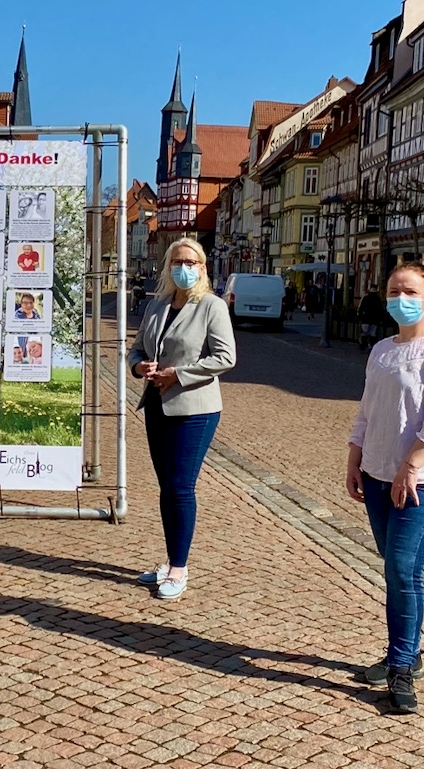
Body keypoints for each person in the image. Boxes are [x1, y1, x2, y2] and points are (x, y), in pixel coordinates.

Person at [346, 263, 424, 715]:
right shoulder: (381, 349)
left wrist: (410, 467)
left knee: (403, 570)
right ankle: (407, 651)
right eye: (394, 290)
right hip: (378, 477)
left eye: (411, 290)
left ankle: (402, 665)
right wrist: (354, 460)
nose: (402, 297)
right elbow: (366, 411)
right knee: (395, 568)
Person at [128, 237, 236, 601]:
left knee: (180, 486)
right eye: (178, 261)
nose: (184, 268)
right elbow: (138, 346)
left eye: (191, 262)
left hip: (195, 409)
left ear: (203, 267)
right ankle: (170, 557)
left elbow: (225, 358)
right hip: (157, 404)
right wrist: (138, 366)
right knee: (166, 488)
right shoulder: (157, 305)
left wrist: (180, 374)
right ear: (168, 266)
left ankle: (179, 567)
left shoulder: (212, 306)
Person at [358, 284, 386, 352]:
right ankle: (370, 346)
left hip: (366, 319)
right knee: (372, 334)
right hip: (375, 320)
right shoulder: (378, 299)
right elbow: (381, 310)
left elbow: (361, 308)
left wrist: (360, 317)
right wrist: (381, 319)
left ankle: (363, 345)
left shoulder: (366, 298)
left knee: (365, 333)